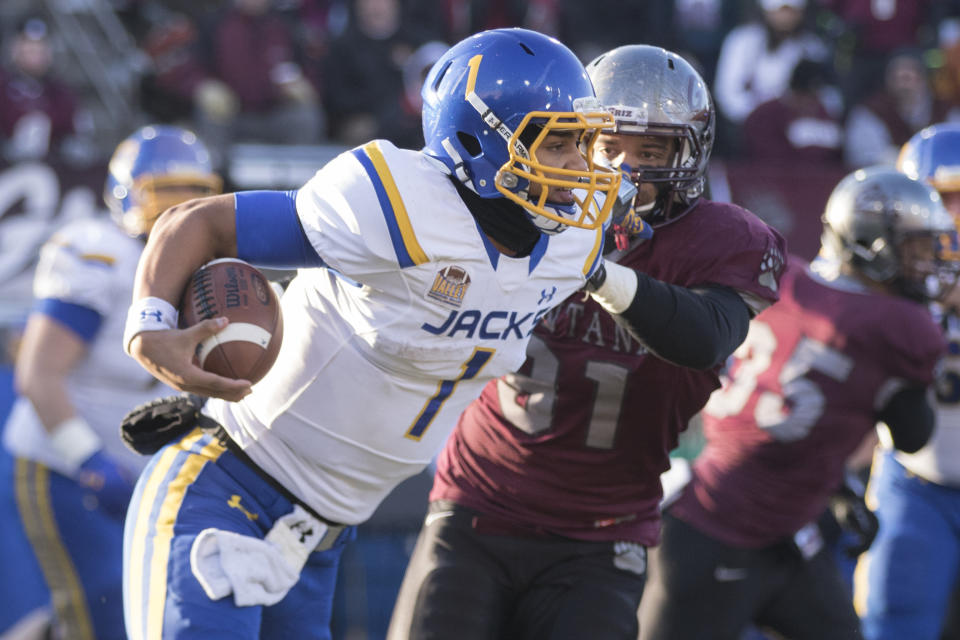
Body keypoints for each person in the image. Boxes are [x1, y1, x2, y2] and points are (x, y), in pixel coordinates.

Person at [118, 28, 655, 639]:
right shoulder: (398, 204)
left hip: (321, 543)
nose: (580, 168)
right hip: (228, 489)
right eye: (558, 145)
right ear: (479, 141)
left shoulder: (572, 244)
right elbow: (200, 220)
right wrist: (150, 324)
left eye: (584, 145)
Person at [385, 44, 787, 640]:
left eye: (650, 150)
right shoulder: (521, 209)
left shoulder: (721, 240)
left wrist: (598, 271)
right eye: (608, 147)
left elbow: (705, 337)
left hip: (602, 535)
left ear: (688, 154)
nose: (623, 169)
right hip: (479, 505)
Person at [637, 166, 959, 640]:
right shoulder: (900, 325)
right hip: (720, 529)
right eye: (914, 250)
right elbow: (912, 434)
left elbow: (807, 415)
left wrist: (834, 482)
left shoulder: (788, 280)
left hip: (780, 527)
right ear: (873, 244)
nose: (926, 265)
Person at [0, 124, 221, 639]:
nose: (179, 208)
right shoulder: (99, 251)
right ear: (128, 194)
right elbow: (38, 374)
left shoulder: (208, 267)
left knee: (147, 611)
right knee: (99, 606)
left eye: (194, 193)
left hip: (146, 474)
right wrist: (89, 463)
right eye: (166, 192)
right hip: (63, 467)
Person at [855, 122, 960, 640]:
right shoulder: (880, 280)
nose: (951, 220)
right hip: (915, 481)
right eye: (942, 201)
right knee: (894, 620)